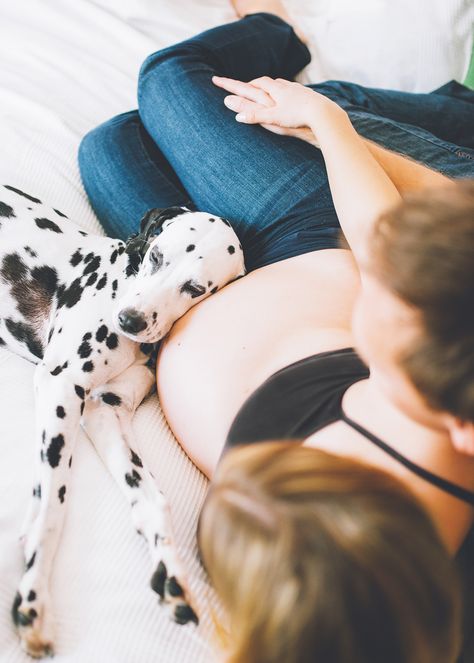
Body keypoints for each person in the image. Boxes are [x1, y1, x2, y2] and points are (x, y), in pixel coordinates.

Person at [77, 0, 474, 658]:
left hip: (194, 275)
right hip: (298, 240)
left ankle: (276, 40)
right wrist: (328, 125)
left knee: (115, 142)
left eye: (390, 301)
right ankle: (277, 31)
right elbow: (383, 249)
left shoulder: (331, 580)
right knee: (166, 90)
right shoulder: (435, 377)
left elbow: (385, 256)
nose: (380, 280)